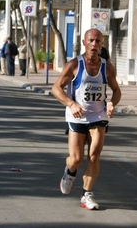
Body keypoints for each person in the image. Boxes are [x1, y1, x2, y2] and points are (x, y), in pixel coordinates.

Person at [52, 28, 122, 210]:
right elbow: (56, 88)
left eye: (98, 41)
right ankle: (70, 171)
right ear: (84, 42)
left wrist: (112, 104)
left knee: (94, 155)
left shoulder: (107, 67)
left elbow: (117, 91)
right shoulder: (74, 64)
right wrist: (71, 104)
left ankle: (87, 195)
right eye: (91, 40)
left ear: (102, 44)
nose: (94, 44)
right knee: (76, 159)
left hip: (98, 115)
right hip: (77, 115)